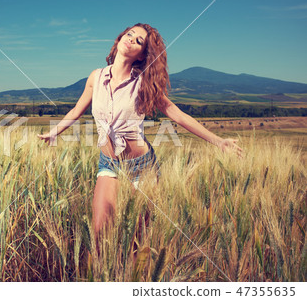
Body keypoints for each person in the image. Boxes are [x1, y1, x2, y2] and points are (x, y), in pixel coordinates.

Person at [37, 23, 242, 236]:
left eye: (139, 41)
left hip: (142, 167)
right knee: (99, 233)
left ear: (142, 55)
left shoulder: (143, 83)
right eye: (129, 34)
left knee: (138, 239)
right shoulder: (95, 77)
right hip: (109, 162)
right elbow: (76, 110)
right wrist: (55, 132)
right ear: (119, 39)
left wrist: (219, 141)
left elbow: (177, 114)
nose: (131, 40)